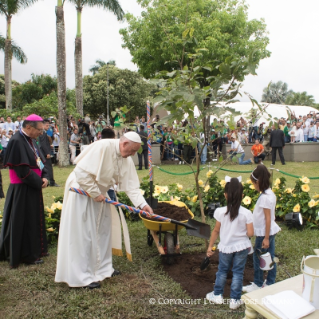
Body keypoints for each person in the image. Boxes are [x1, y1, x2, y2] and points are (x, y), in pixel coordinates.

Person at [55, 132, 154, 289]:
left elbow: (130, 186)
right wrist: (95, 193)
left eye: (135, 151)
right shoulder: (103, 146)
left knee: (103, 230)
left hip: (101, 194)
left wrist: (142, 205)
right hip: (82, 190)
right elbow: (81, 173)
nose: (133, 155)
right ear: (124, 144)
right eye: (132, 150)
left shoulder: (125, 158)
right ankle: (82, 277)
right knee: (84, 234)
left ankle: (103, 269)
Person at [0, 114, 49, 268]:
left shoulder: (31, 141)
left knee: (33, 219)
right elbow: (22, 171)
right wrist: (39, 181)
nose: (41, 133)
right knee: (25, 222)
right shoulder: (16, 141)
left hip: (33, 187)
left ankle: (35, 251)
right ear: (28, 127)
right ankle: (26, 255)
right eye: (39, 130)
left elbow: (39, 161)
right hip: (22, 189)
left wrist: (46, 176)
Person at [206, 177, 254, 309]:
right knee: (238, 272)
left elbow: (216, 231)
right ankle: (235, 300)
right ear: (242, 196)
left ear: (225, 195)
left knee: (222, 270)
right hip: (242, 247)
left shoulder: (220, 212)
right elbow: (250, 233)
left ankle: (217, 295)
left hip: (225, 247)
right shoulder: (247, 213)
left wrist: (210, 246)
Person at [243, 165, 281, 293]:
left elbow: (268, 219)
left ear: (258, 182)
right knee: (270, 256)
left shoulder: (265, 198)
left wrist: (265, 238)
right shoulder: (270, 193)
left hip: (264, 233)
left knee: (258, 257)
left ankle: (258, 283)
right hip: (269, 232)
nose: (253, 186)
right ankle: (270, 282)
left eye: (254, 183)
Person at [39, 119, 59, 187]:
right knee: (48, 167)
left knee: (44, 167)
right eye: (47, 126)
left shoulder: (43, 133)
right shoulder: (43, 133)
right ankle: (51, 182)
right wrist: (47, 153)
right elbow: (43, 144)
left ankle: (46, 181)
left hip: (43, 152)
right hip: (44, 153)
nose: (48, 127)